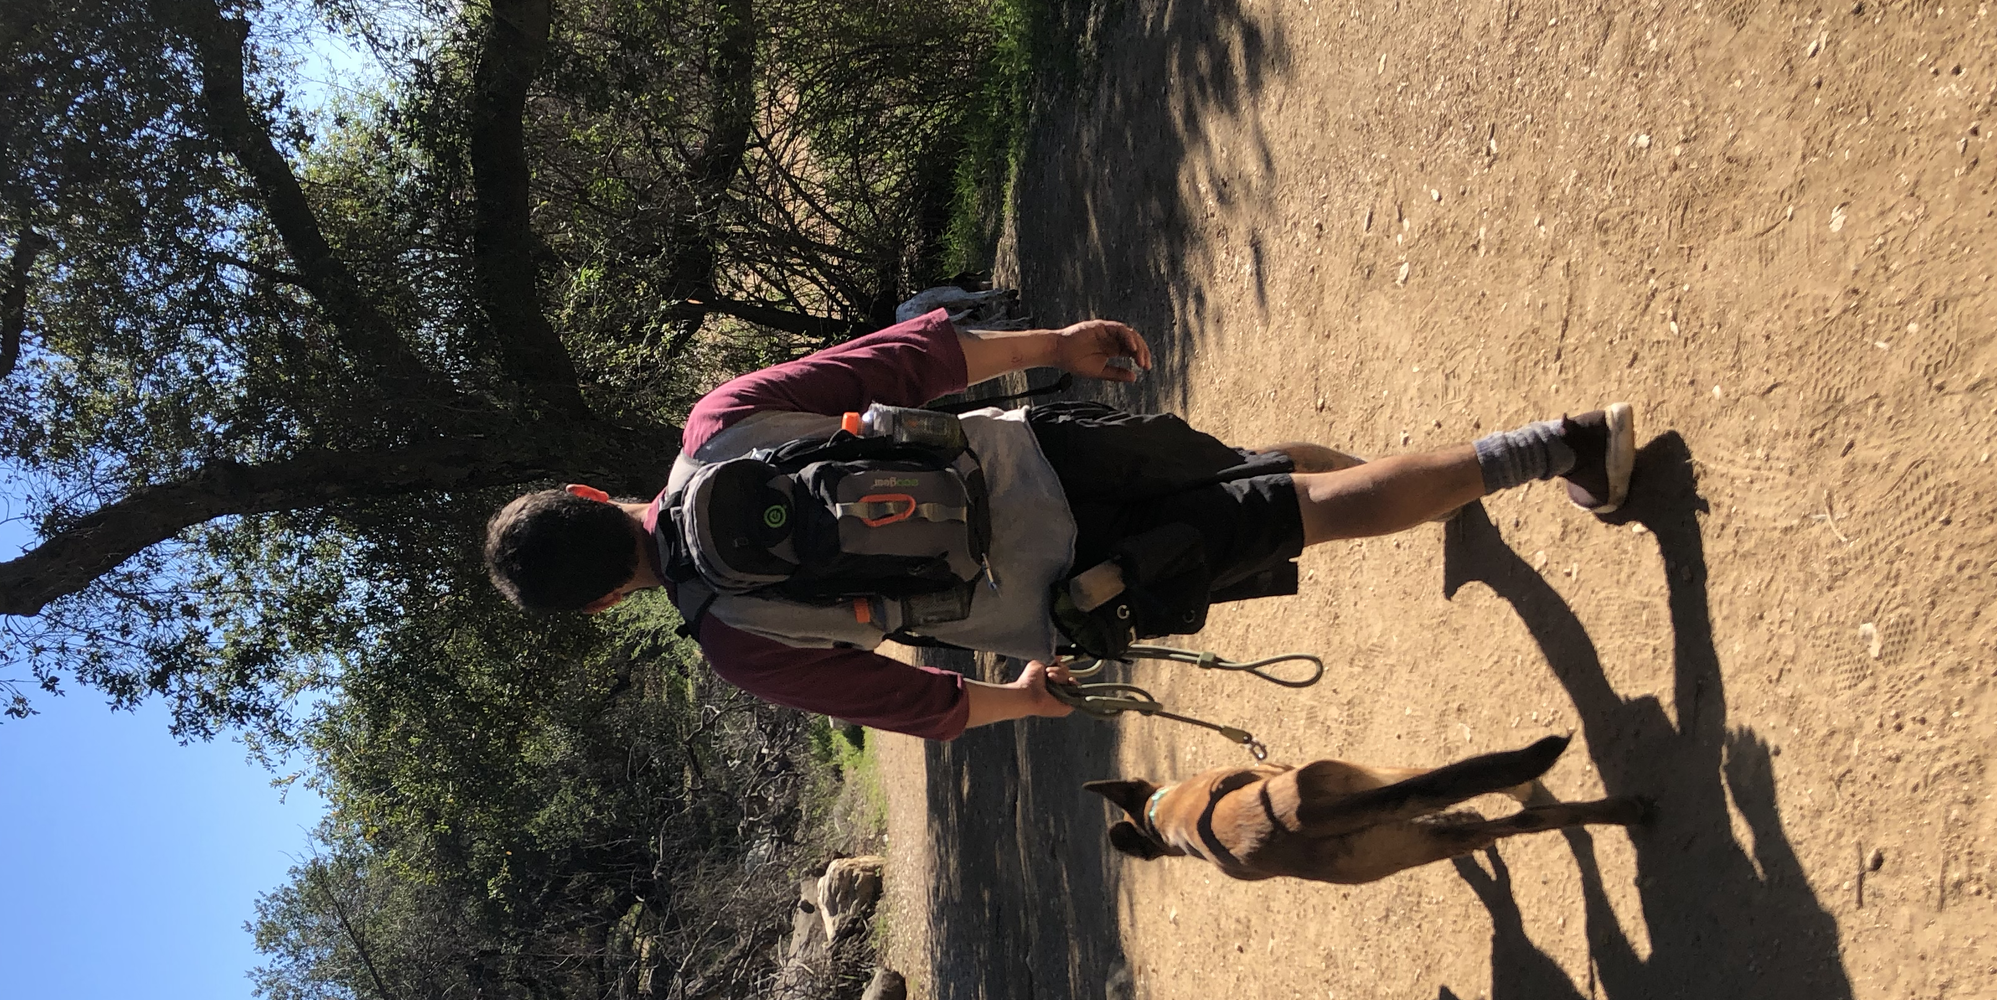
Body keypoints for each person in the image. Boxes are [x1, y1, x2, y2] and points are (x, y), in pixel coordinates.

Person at [482, 310, 1633, 739]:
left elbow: (916, 704)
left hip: (1072, 585)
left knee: (1297, 515)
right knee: (1253, 473)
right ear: (588, 495)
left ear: (601, 602)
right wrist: (1056, 347)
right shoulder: (719, 422)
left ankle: (1562, 447)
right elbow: (912, 358)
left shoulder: (737, 645)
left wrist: (1025, 698)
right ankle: (1457, 479)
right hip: (1044, 449)